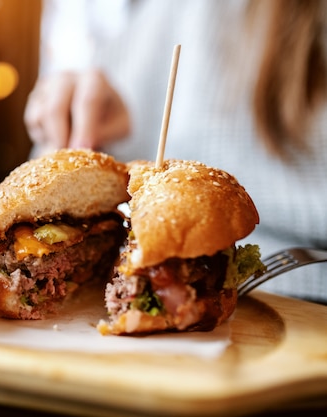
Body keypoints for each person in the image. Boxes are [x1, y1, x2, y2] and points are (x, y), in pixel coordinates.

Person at [24, 0, 327, 303]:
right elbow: (65, 159)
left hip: (306, 300)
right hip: (118, 258)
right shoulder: (157, 14)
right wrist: (69, 117)